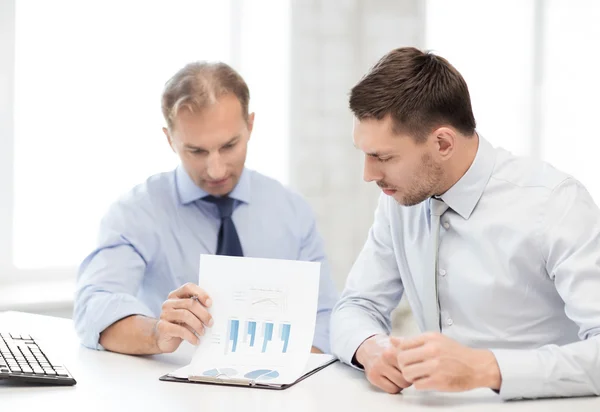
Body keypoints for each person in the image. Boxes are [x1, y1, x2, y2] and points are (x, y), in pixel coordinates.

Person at [330, 47, 600, 400]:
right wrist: (370, 347)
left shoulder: (554, 204)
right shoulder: (400, 200)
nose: (369, 175)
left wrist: (484, 368)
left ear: (442, 143)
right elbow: (356, 306)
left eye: (384, 157)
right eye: (365, 154)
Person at [74, 62, 337, 355]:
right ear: (170, 139)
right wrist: (157, 334)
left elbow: (324, 316)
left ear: (250, 126)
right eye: (196, 151)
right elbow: (93, 308)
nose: (216, 170)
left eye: (229, 146)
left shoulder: (292, 211)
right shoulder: (136, 212)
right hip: (171, 393)